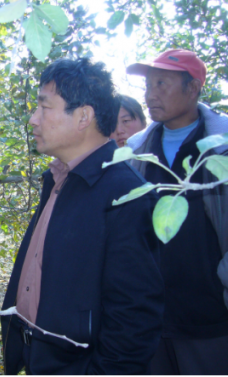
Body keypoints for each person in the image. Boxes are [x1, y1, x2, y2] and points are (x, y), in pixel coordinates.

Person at [0, 58, 164, 374]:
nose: (32, 120)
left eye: (43, 108)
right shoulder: (59, 178)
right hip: (39, 361)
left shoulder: (126, 196)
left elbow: (134, 320)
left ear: (83, 116)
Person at [126, 49, 228, 374]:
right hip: (149, 321)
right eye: (147, 85)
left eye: (161, 83)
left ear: (193, 87)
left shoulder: (221, 145)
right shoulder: (136, 152)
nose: (149, 94)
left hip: (211, 319)